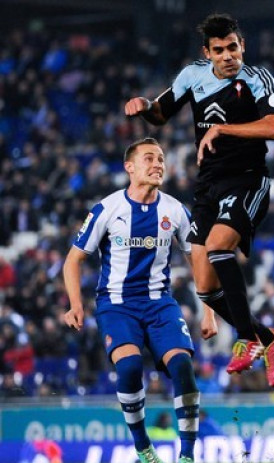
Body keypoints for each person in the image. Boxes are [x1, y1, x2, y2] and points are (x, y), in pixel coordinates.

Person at [124, 13, 274, 385]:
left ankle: (246, 339)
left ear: (242, 45)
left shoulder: (258, 79)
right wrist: (144, 106)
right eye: (220, 50)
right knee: (205, 287)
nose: (229, 56)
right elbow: (160, 114)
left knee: (218, 248)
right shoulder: (192, 76)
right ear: (207, 53)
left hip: (247, 179)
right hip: (208, 186)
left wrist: (222, 128)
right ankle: (268, 337)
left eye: (233, 48)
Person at [63, 138, 200, 463]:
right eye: (149, 158)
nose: (158, 165)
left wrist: (208, 310)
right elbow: (72, 260)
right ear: (130, 167)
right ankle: (143, 448)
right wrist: (75, 304)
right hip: (117, 304)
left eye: (162, 159)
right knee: (130, 366)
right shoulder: (108, 209)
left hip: (159, 303)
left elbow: (198, 260)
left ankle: (188, 457)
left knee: (182, 365)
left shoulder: (176, 210)